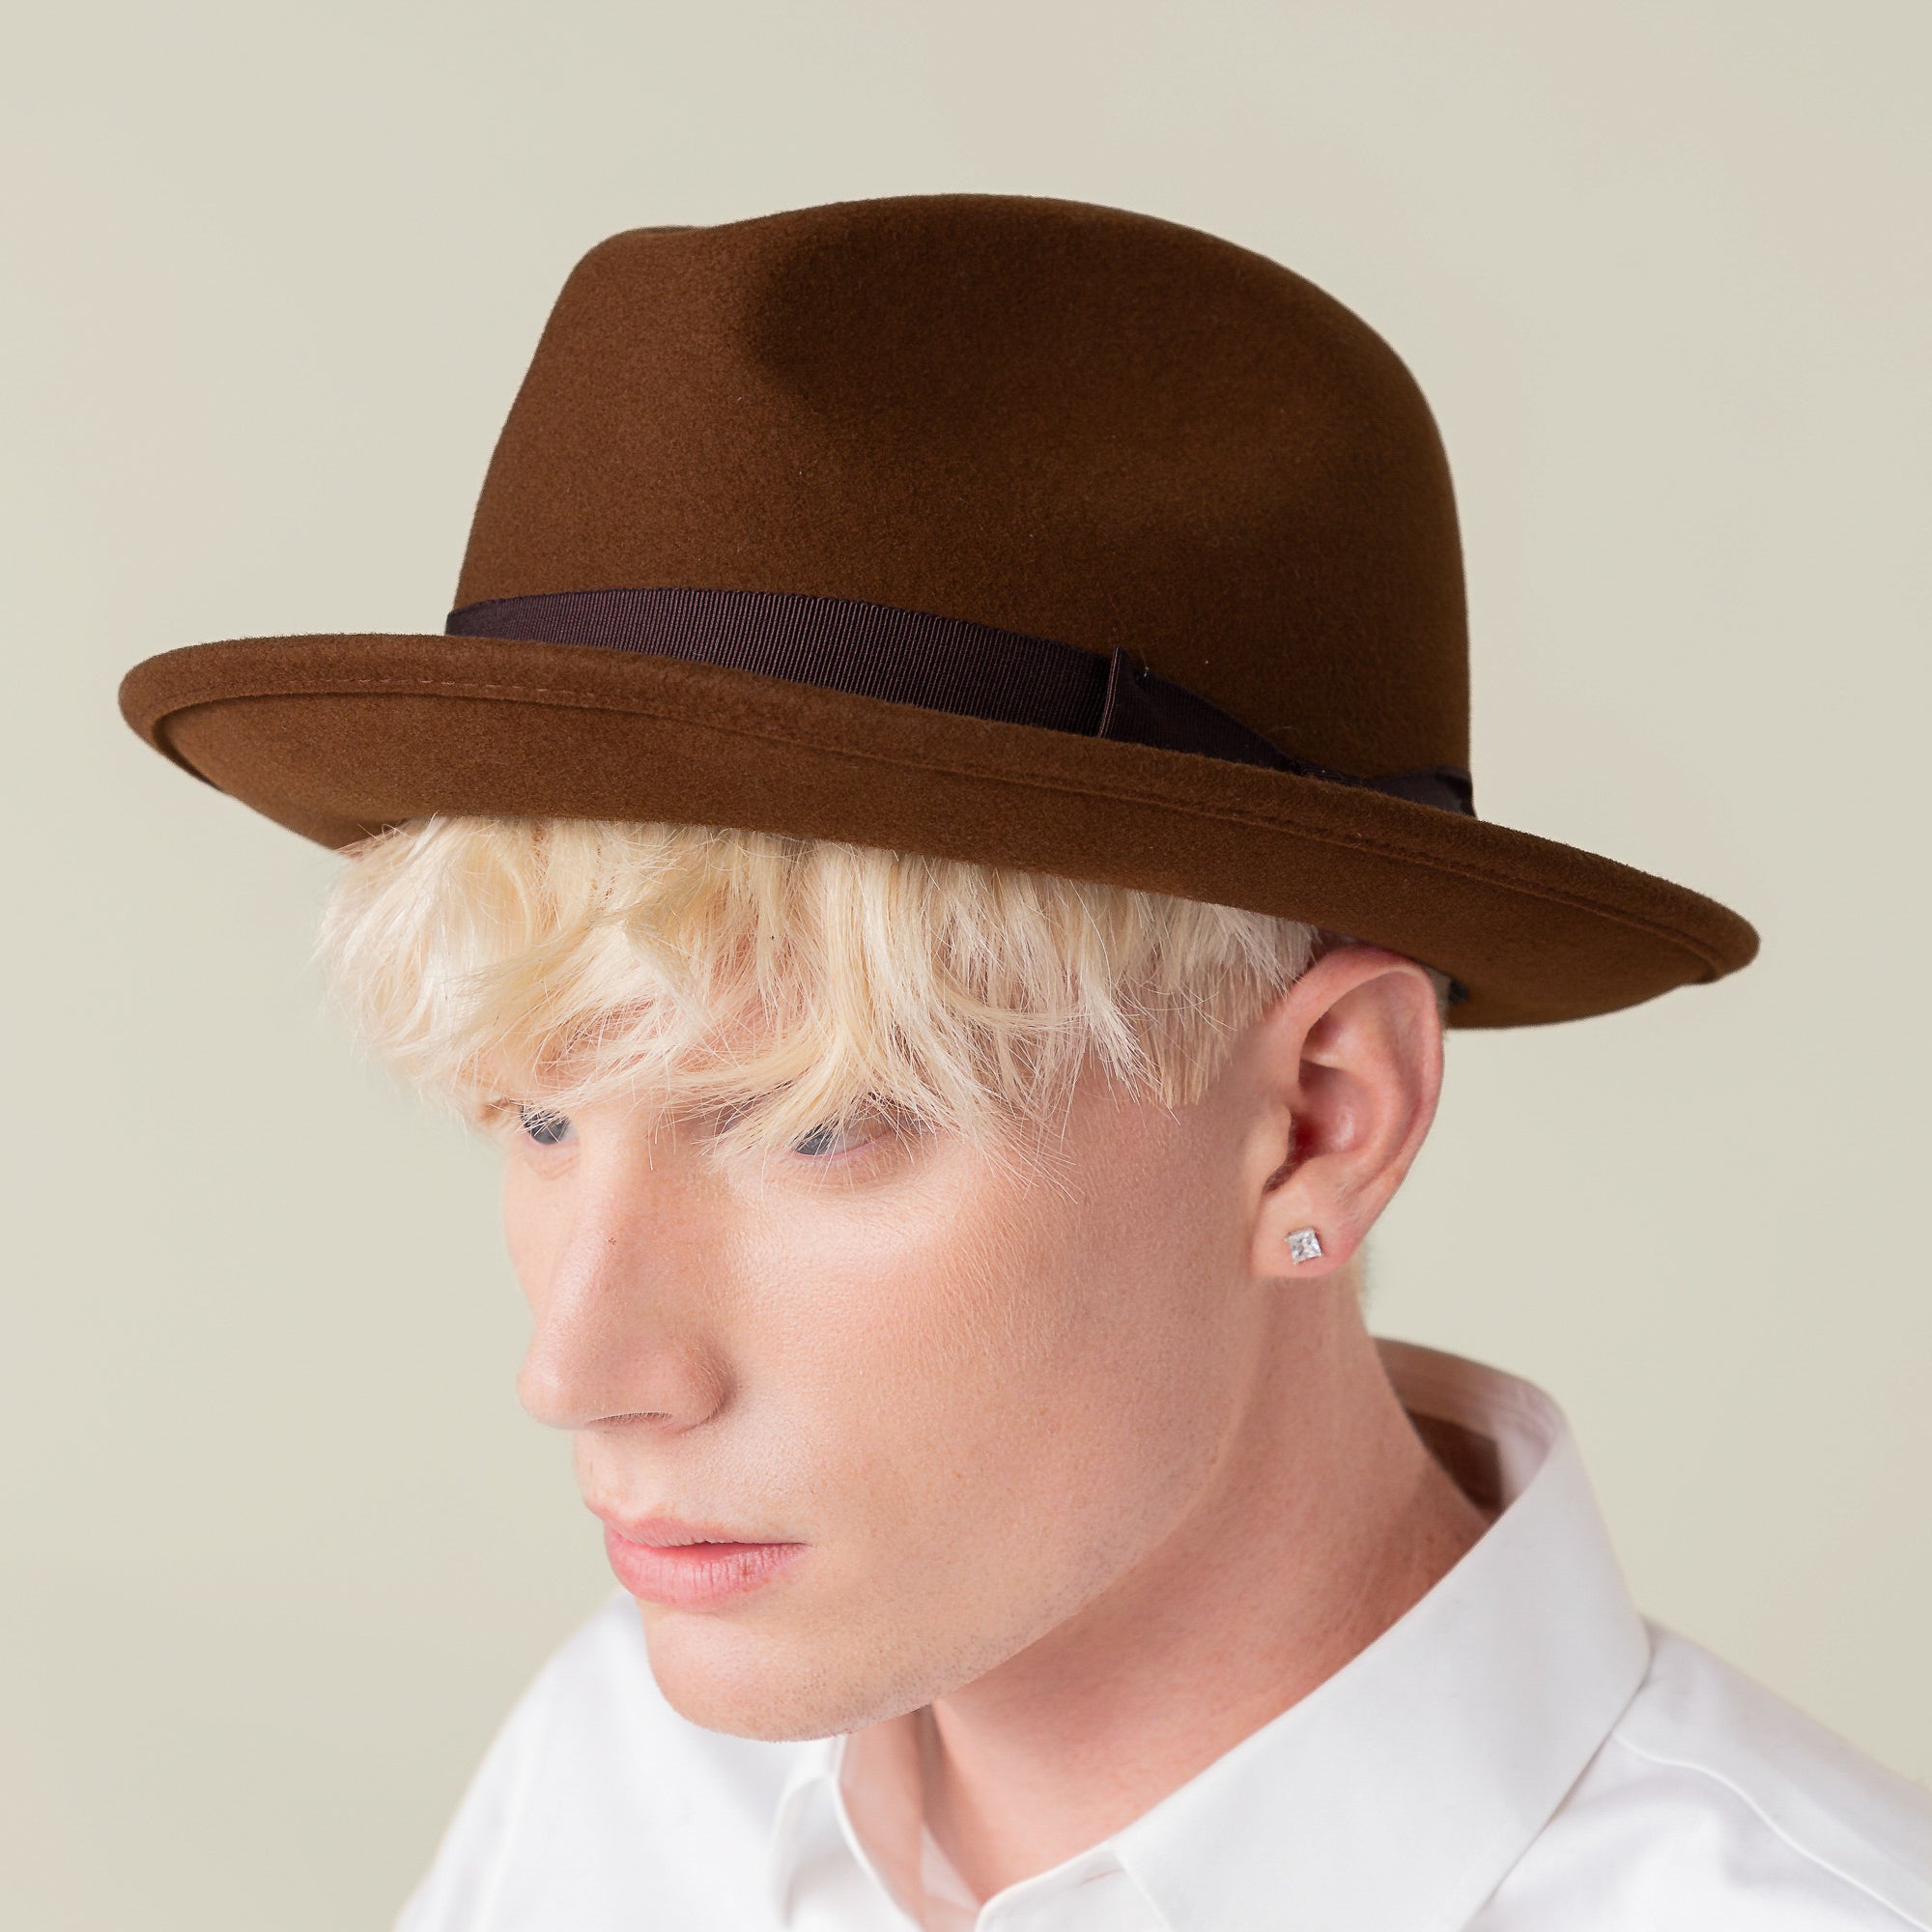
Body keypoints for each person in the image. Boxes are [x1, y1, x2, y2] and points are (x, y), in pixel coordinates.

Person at [118, 193, 1927, 1930]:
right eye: (541, 1114)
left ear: (1321, 1120)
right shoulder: (625, 1785)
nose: (580, 1368)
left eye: (815, 1125)